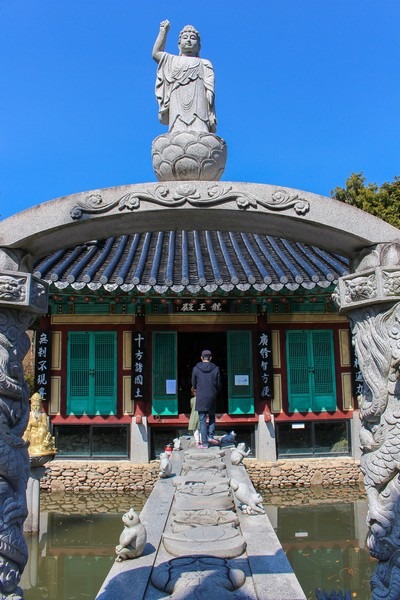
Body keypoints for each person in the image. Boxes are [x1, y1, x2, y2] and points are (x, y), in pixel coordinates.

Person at [152, 20, 216, 134]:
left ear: (199, 46)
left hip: (199, 102)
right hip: (177, 103)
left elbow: (209, 85)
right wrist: (163, 31)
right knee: (176, 131)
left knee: (202, 130)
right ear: (179, 43)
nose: (189, 40)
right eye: (185, 37)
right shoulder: (172, 60)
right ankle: (177, 131)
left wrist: (210, 94)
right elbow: (156, 53)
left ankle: (201, 129)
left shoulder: (205, 63)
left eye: (193, 38)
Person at [191, 350, 221, 448]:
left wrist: (196, 388)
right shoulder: (216, 369)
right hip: (212, 395)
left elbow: (193, 383)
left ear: (201, 357)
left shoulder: (196, 369)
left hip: (201, 396)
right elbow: (218, 383)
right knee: (212, 416)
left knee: (202, 419)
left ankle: (204, 443)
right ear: (210, 358)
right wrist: (215, 391)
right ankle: (211, 436)